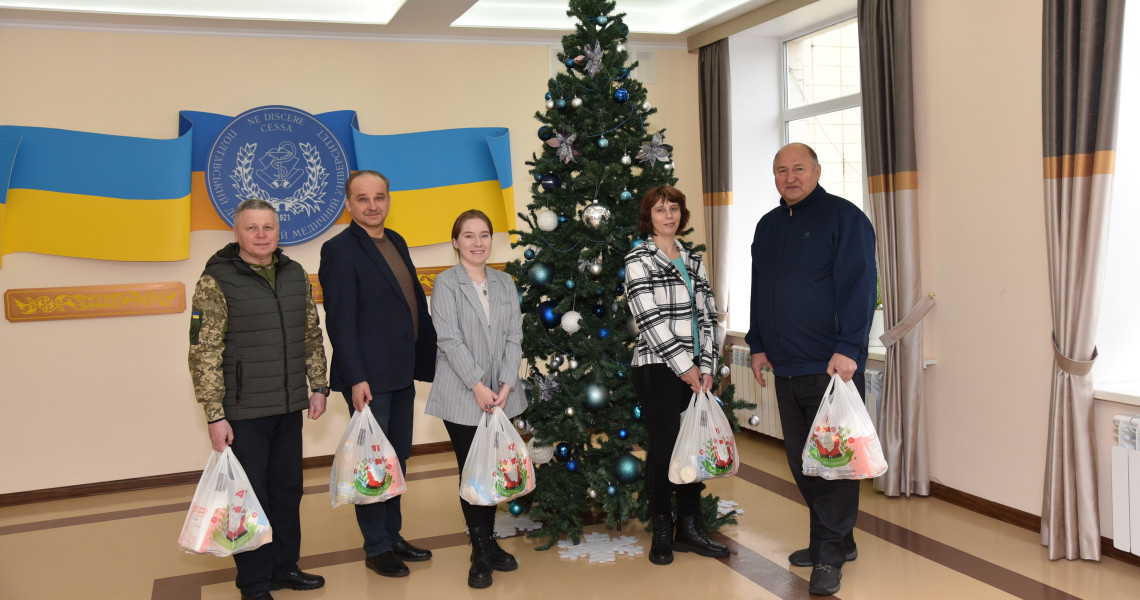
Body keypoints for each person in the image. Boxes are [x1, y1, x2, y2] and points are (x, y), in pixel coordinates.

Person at [746, 142, 877, 596]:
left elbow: (861, 287)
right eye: (781, 170)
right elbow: (760, 289)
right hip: (785, 366)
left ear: (817, 171)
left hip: (831, 368)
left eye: (799, 168)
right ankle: (839, 538)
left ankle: (829, 554)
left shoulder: (845, 219)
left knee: (834, 463)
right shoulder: (766, 226)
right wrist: (757, 344)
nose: (790, 177)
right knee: (804, 462)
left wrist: (849, 348)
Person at [188, 198, 330, 600]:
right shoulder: (216, 279)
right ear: (237, 233)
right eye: (252, 228)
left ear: (278, 231)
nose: (261, 235)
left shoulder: (295, 273)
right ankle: (253, 583)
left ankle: (284, 567)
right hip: (243, 412)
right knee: (249, 499)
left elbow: (311, 334)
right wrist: (215, 415)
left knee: (287, 492)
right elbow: (204, 353)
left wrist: (318, 386)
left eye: (268, 227)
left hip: (288, 407)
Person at [318, 169, 437, 579]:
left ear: (388, 200)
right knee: (372, 463)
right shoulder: (339, 250)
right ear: (349, 204)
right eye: (363, 199)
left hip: (401, 371)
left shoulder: (396, 240)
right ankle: (376, 547)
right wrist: (356, 376)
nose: (373, 206)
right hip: (369, 377)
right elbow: (340, 321)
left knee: (397, 458)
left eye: (380, 197)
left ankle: (393, 534)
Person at [624, 185, 729, 566]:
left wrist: (706, 368)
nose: (668, 215)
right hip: (656, 367)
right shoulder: (639, 257)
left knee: (694, 447)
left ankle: (690, 525)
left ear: (681, 215)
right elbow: (648, 319)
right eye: (659, 210)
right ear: (648, 217)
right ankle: (663, 529)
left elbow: (708, 315)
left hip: (696, 373)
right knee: (665, 448)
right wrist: (684, 368)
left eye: (673, 209)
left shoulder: (693, 259)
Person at [425, 209, 528, 589]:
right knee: (472, 473)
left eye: (484, 235)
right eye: (469, 236)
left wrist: (505, 384)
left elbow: (514, 337)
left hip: (501, 394)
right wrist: (477, 385)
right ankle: (480, 550)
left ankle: (490, 540)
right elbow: (449, 339)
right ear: (456, 242)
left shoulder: (504, 282)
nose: (478, 242)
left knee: (496, 469)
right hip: (463, 394)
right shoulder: (446, 283)